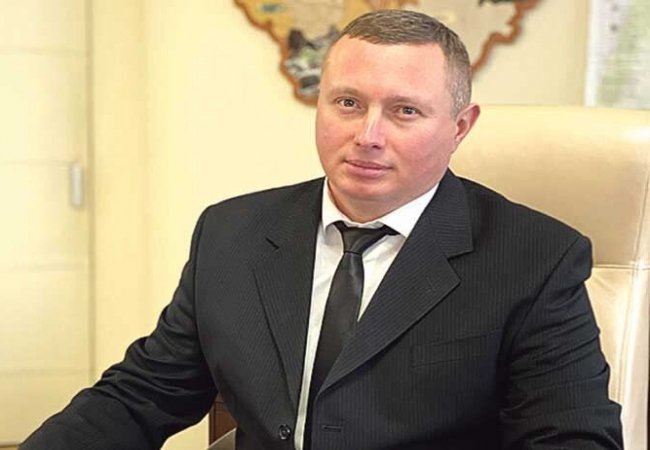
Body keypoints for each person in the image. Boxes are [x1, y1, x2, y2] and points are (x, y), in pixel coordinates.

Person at [21, 9, 622, 450]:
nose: (368, 135)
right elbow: (143, 394)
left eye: (405, 111)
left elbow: (571, 437)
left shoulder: (535, 258)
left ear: (460, 127)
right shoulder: (231, 233)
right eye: (348, 103)